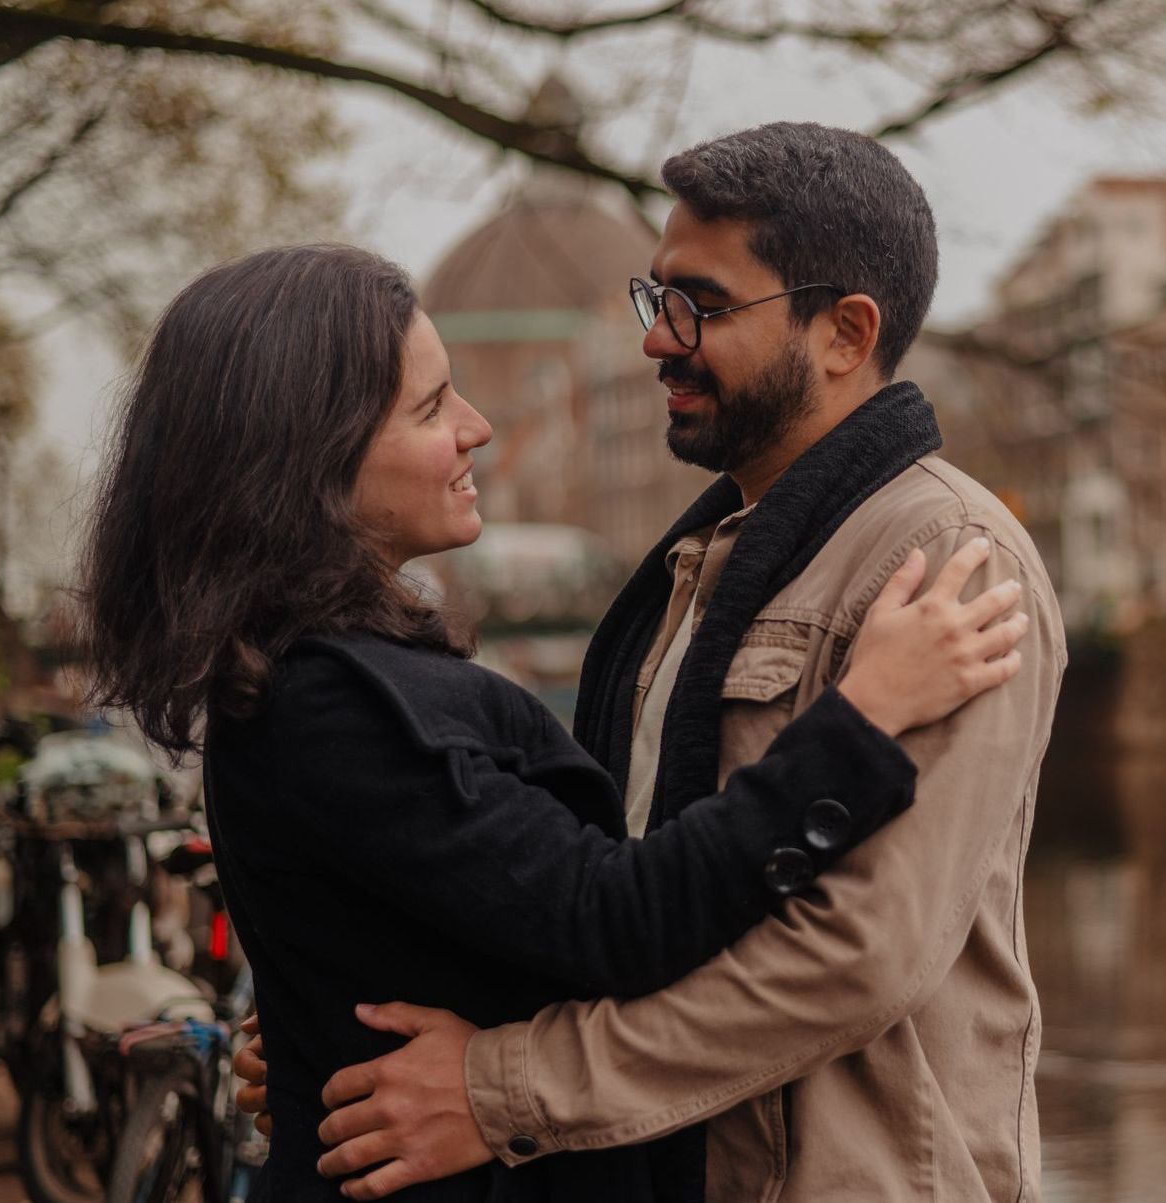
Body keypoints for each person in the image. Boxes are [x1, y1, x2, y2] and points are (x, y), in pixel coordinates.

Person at [82, 243, 1024, 1203]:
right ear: (308, 461)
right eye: (430, 406)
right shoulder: (336, 702)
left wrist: (312, 1025)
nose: (477, 428)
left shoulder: (318, 680)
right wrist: (861, 717)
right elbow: (618, 916)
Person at [289, 124, 1067, 1202]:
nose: (660, 340)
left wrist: (504, 1089)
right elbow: (626, 894)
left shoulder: (942, 563)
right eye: (655, 301)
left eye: (700, 305)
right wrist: (341, 1013)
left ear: (845, 333)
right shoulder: (702, 563)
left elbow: (854, 956)